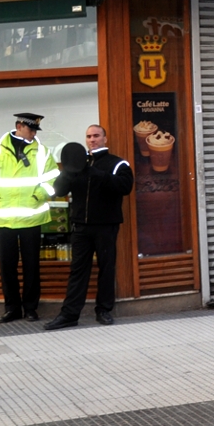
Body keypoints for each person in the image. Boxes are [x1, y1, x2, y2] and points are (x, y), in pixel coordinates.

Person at [44, 125, 133, 330]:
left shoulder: (117, 163)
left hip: (106, 226)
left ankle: (103, 310)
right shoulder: (78, 163)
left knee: (106, 268)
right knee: (78, 270)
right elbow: (58, 191)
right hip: (80, 227)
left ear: (104, 138)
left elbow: (125, 187)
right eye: (88, 137)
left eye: (96, 136)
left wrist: (98, 174)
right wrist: (69, 170)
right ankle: (69, 314)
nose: (92, 140)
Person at [0, 113, 59, 323]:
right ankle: (12, 308)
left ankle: (30, 308)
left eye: (35, 131)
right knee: (7, 267)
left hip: (31, 217)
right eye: (30, 130)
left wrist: (37, 196)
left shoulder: (41, 151)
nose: (33, 135)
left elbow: (53, 178)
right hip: (2, 218)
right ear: (19, 126)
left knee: (32, 266)